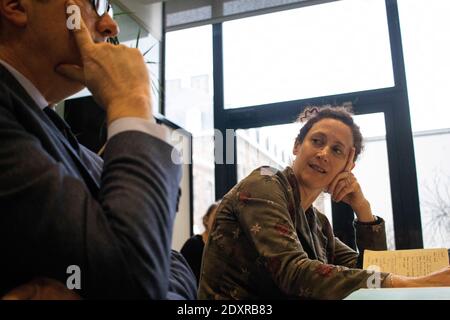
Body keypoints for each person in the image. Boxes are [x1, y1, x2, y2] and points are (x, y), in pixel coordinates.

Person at [0, 0, 195, 299]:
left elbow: (172, 262)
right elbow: (135, 281)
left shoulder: (60, 135)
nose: (110, 25)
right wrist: (132, 101)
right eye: (96, 2)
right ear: (16, 5)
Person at [198, 106, 450, 300]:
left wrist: (363, 209)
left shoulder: (317, 222)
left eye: (337, 151)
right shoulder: (264, 183)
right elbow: (295, 273)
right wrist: (413, 283)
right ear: (297, 145)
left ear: (347, 166)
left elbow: (370, 270)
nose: (323, 154)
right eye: (317, 141)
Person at [181, 202, 219, 283]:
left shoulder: (223, 248)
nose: (220, 221)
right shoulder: (193, 244)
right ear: (206, 220)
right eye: (216, 216)